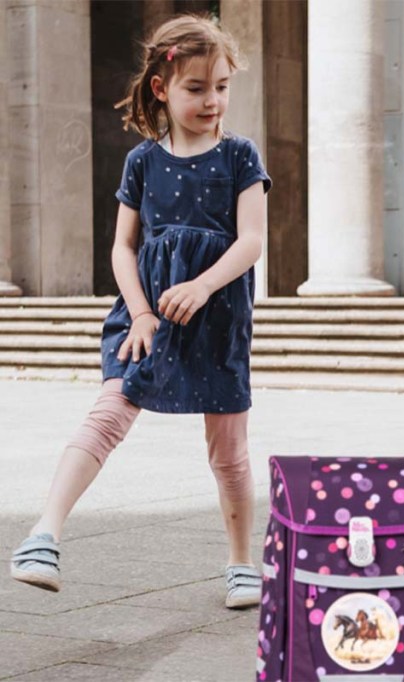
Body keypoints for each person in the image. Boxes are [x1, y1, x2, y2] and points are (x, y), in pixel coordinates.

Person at [9, 14, 270, 609]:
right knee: (108, 412)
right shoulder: (142, 162)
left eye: (222, 87)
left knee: (227, 448)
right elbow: (123, 246)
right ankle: (43, 534)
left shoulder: (239, 156)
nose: (213, 100)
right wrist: (142, 312)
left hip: (216, 314)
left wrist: (203, 286)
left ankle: (239, 562)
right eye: (197, 88)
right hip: (145, 312)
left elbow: (251, 241)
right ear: (162, 88)